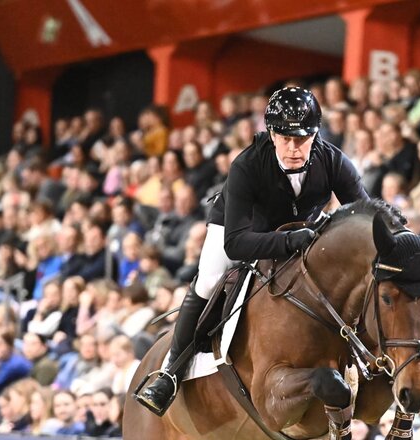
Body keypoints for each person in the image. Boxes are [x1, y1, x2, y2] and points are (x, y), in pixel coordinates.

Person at [136, 87, 369, 415]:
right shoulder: (246, 165)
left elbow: (366, 214)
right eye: (285, 138)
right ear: (271, 133)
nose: (293, 148)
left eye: (302, 139)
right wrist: (289, 241)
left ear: (316, 134)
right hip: (241, 228)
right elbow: (237, 242)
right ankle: (170, 372)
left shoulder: (332, 160)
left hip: (302, 233)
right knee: (208, 279)